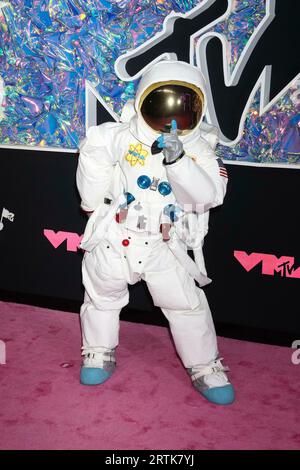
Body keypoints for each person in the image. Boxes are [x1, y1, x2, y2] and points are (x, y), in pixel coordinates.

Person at [76, 60, 235, 405]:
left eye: (183, 107)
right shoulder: (121, 136)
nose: (171, 118)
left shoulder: (199, 150)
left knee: (185, 305)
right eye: (160, 105)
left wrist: (179, 162)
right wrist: (93, 202)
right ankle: (98, 349)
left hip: (164, 244)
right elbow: (93, 150)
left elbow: (208, 196)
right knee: (101, 296)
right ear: (141, 103)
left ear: (198, 108)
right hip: (118, 236)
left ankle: (204, 365)